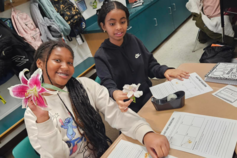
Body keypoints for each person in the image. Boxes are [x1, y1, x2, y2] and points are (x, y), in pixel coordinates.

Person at [24, 41, 170, 158]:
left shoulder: (85, 86)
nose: (65, 67)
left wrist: (145, 133)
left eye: (70, 62)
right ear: (40, 63)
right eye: (57, 60)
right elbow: (57, 156)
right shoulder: (33, 115)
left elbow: (116, 112)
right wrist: (44, 122)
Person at [95, 1, 189, 113]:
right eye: (112, 24)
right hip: (125, 106)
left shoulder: (134, 40)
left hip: (148, 98)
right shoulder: (101, 56)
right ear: (103, 26)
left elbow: (150, 65)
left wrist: (165, 70)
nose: (119, 27)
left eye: (123, 22)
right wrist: (114, 92)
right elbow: (107, 84)